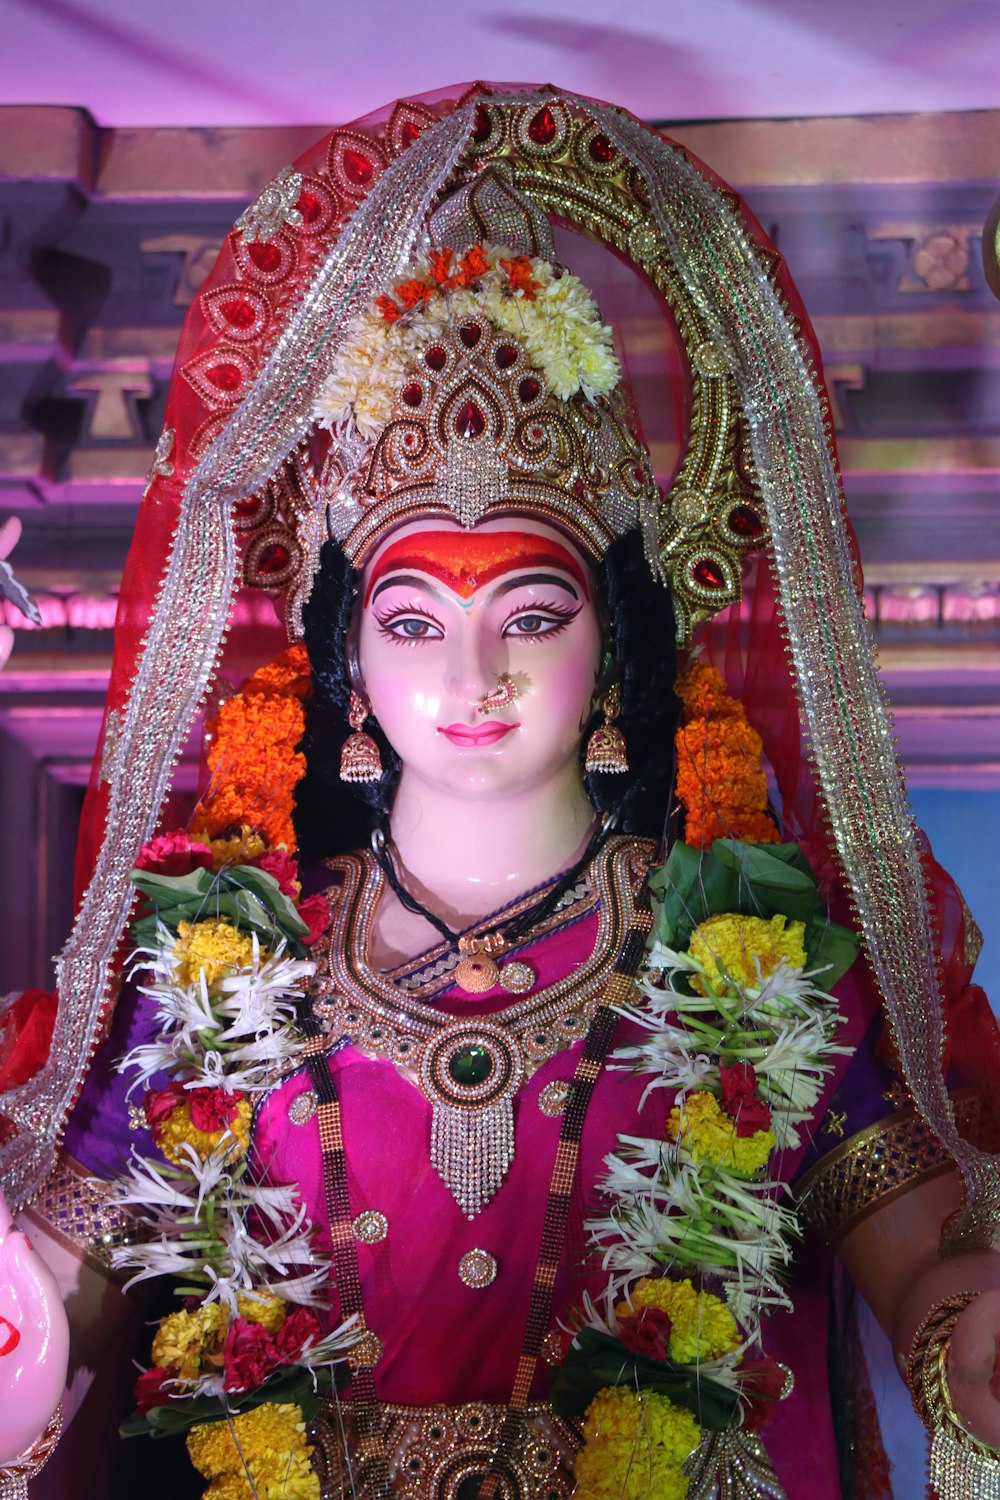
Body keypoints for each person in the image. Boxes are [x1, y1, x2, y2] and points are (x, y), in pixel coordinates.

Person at [2, 84, 1000, 1500]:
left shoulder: (750, 974)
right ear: (349, 658)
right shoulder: (211, 977)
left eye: (529, 615)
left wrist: (967, 1346)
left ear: (613, 641)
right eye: (413, 623)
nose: (471, 673)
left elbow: (919, 1263)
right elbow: (48, 1289)